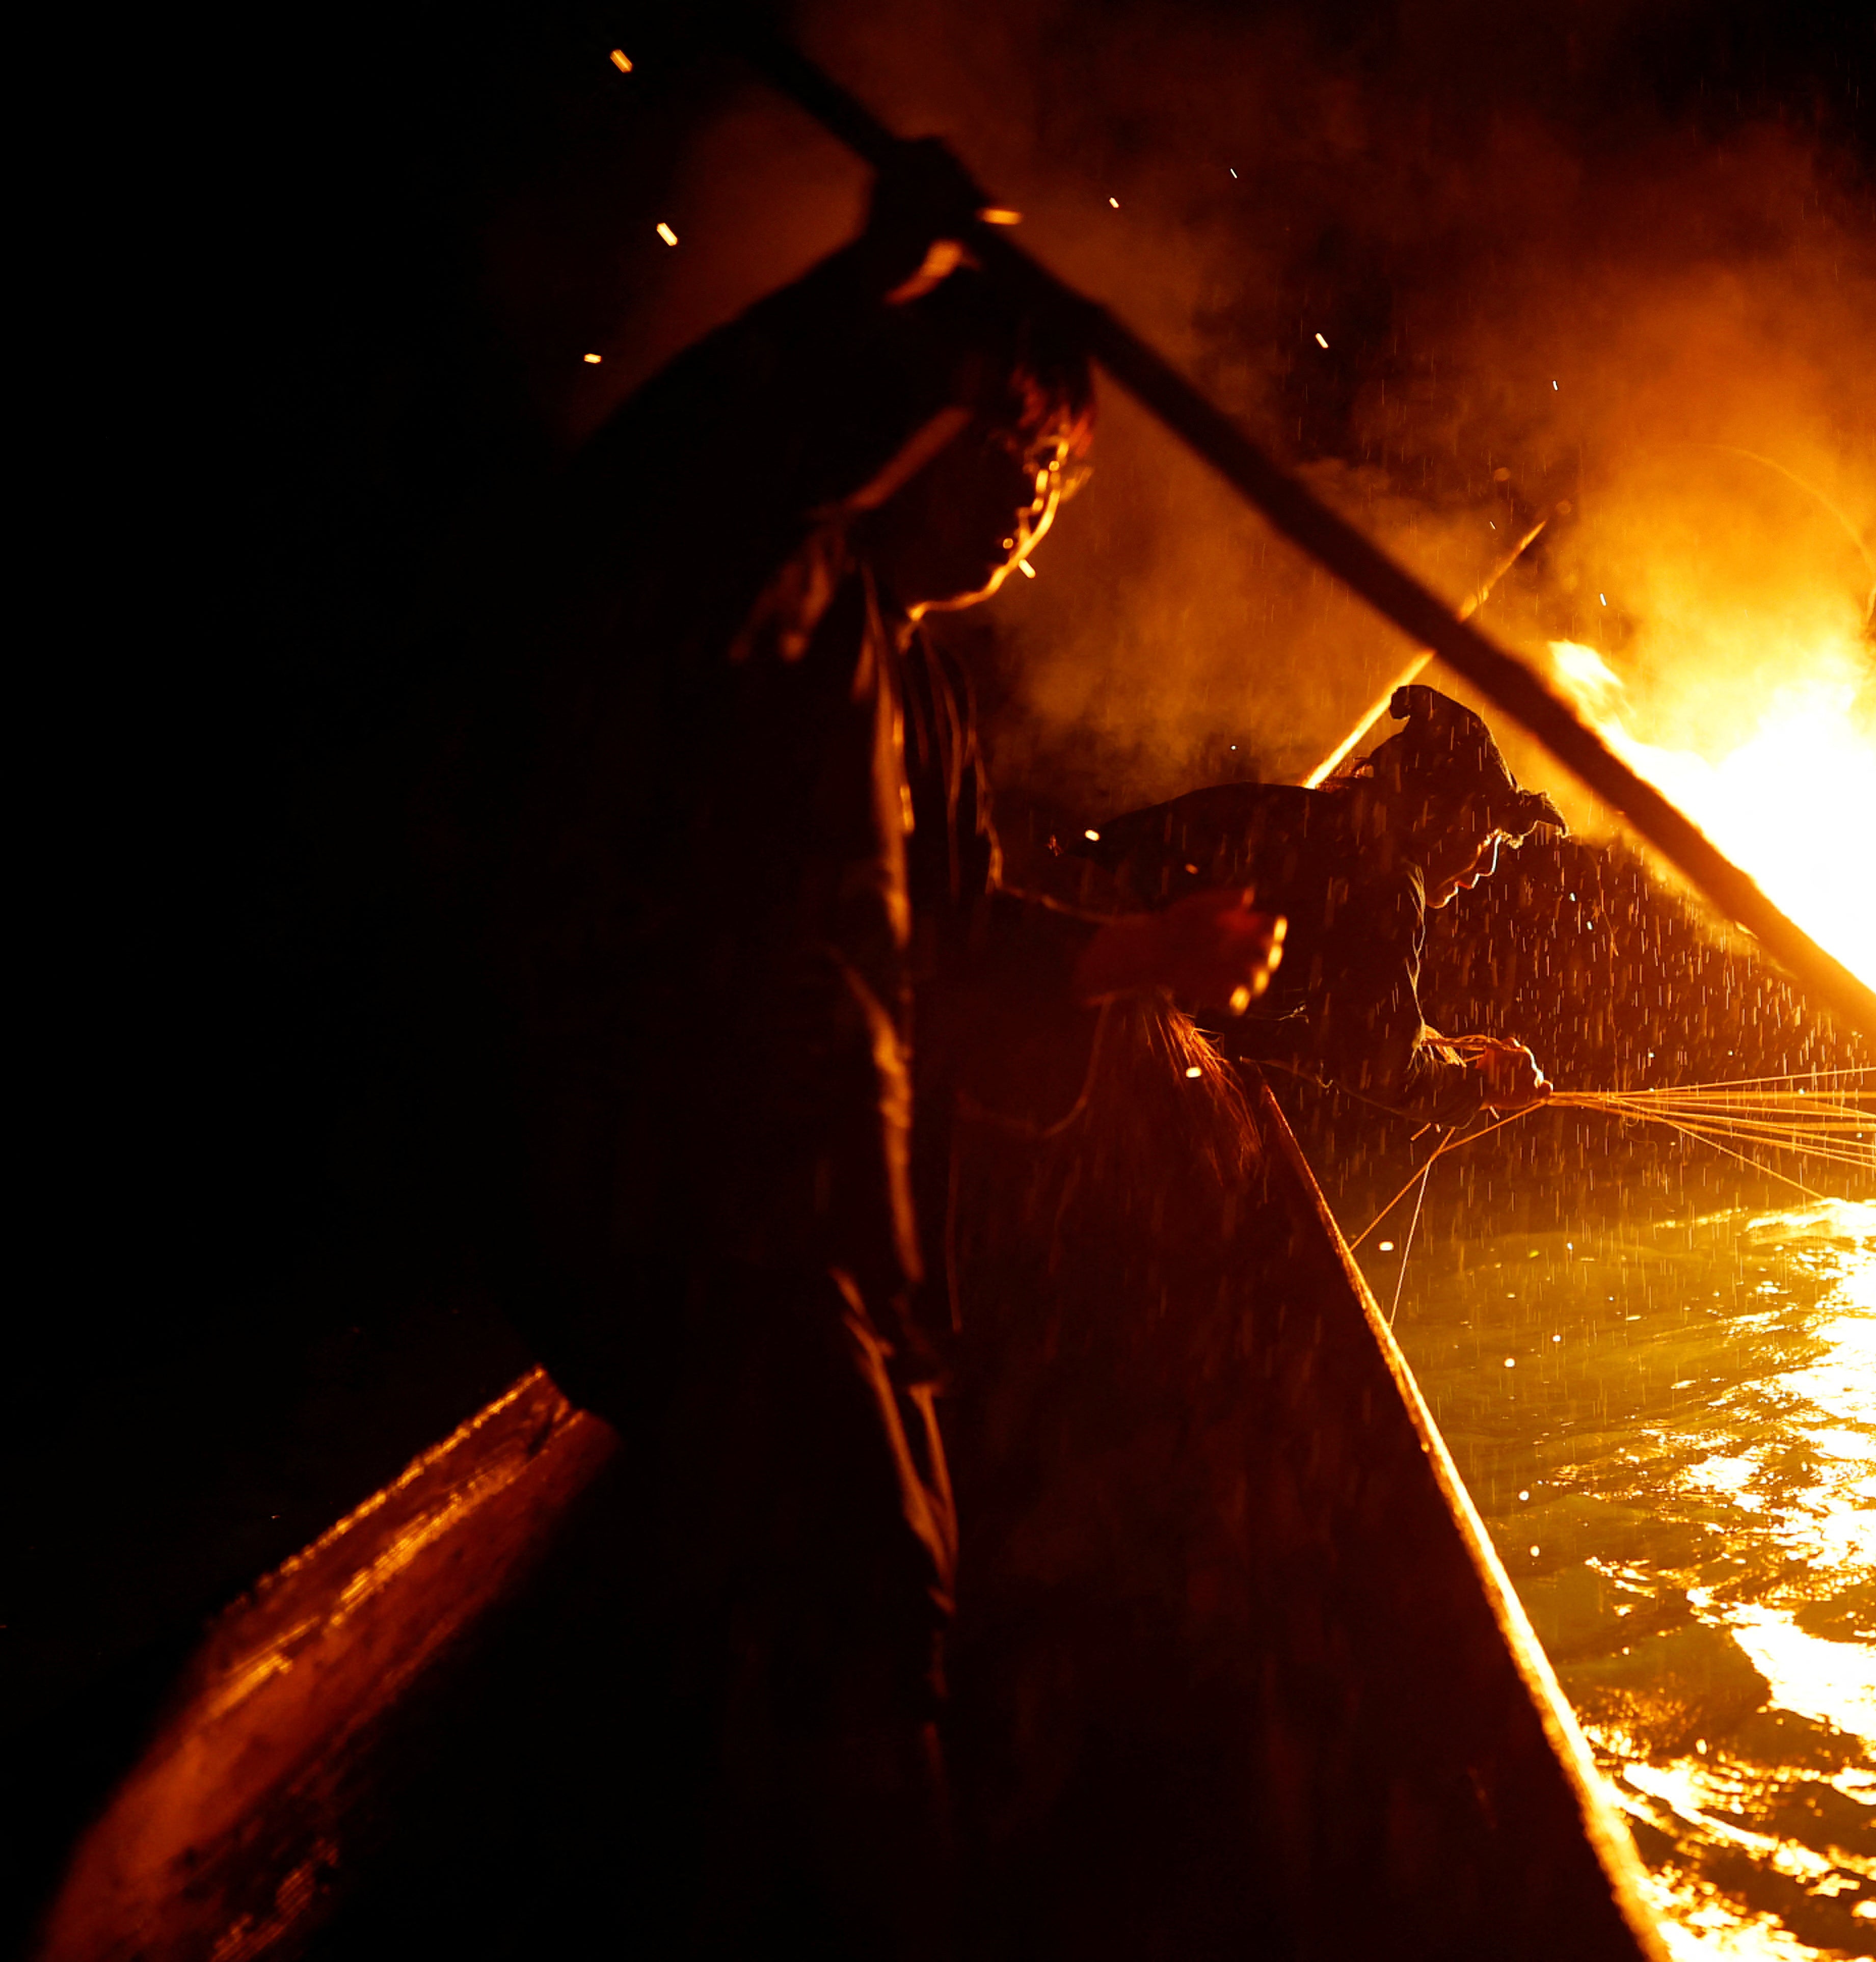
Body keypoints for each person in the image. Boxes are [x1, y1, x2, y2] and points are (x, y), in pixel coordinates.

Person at [500, 140, 1279, 1956]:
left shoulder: (911, 686)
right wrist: (879, 290)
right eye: (1014, 455)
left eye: (1057, 489)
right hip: (725, 1205)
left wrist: (1136, 951)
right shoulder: (768, 588)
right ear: (906, 428)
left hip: (838, 1223)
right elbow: (677, 498)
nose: (1030, 513)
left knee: (850, 1611)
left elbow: (958, 943)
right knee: (865, 1613)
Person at [1074, 685, 1563, 1126]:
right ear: (1437, 816)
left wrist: (1432, 1056)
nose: (1489, 866)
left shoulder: (1333, 830)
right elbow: (1382, 1072)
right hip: (1079, 979)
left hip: (1080, 957)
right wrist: (1481, 1088)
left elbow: (1284, 1034)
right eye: (1486, 834)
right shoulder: (1387, 883)